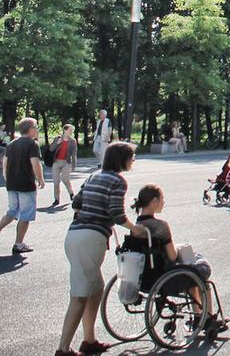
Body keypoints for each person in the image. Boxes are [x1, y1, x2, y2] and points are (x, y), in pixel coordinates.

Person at [56, 141, 146, 356]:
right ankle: (62, 350)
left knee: (96, 288)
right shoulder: (117, 180)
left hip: (75, 235)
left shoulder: (94, 176)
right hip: (91, 238)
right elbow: (117, 213)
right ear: (122, 159)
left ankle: (89, 340)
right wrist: (136, 229)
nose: (133, 161)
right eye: (131, 157)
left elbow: (77, 203)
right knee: (79, 295)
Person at [128, 184, 225, 337]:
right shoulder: (161, 226)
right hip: (165, 278)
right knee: (200, 269)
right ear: (154, 202)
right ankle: (205, 318)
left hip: (145, 279)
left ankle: (198, 316)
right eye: (162, 199)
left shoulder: (137, 228)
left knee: (191, 274)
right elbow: (172, 256)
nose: (164, 202)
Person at [1, 117, 44, 255]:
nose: (37, 130)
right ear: (31, 129)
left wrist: (7, 178)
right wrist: (40, 179)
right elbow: (35, 163)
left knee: (12, 212)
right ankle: (19, 244)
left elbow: (5, 164)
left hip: (12, 183)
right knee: (25, 215)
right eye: (36, 127)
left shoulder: (12, 144)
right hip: (26, 184)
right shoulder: (32, 144)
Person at [49, 124, 79, 206]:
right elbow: (51, 149)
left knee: (65, 179)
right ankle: (56, 199)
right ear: (65, 130)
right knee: (56, 182)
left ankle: (71, 193)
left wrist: (73, 165)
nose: (71, 132)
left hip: (66, 162)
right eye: (70, 130)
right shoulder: (57, 139)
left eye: (72, 130)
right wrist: (56, 144)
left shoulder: (73, 141)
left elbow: (74, 154)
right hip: (56, 162)